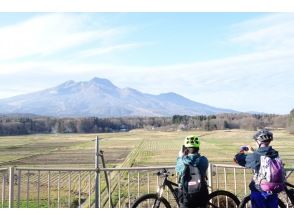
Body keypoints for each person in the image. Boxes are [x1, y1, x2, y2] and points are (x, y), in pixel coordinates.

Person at [234, 129, 285, 208]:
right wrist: (253, 152)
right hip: (274, 191)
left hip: (259, 191)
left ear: (259, 141)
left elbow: (238, 159)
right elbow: (263, 155)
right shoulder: (275, 153)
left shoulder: (256, 156)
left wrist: (242, 151)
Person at [175, 135, 209, 208]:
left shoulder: (181, 162)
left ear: (186, 149)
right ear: (198, 148)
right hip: (201, 196)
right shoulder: (204, 160)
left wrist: (181, 156)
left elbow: (177, 169)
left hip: (186, 198)